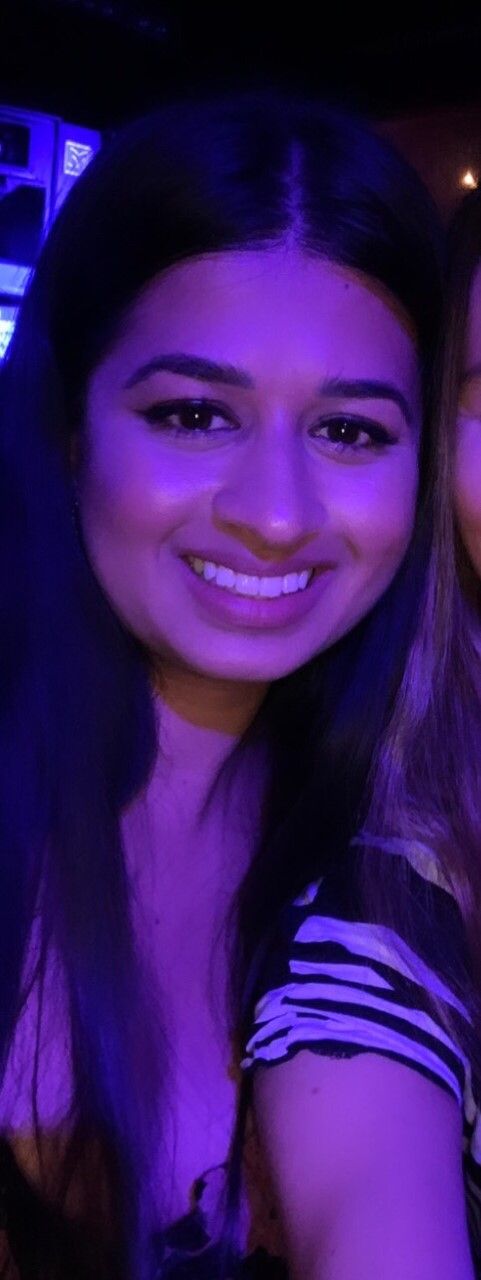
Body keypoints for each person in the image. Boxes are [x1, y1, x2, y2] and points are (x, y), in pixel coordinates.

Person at [0, 89, 479, 1280]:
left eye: (350, 432)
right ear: (69, 426)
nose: (273, 513)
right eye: (194, 414)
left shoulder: (379, 842)